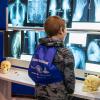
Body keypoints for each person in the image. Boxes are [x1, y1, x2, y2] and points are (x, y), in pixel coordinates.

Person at [34, 16, 75, 100]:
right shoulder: (66, 52)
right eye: (66, 28)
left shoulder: (39, 47)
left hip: (40, 93)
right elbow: (69, 81)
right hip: (58, 96)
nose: (66, 31)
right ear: (61, 30)